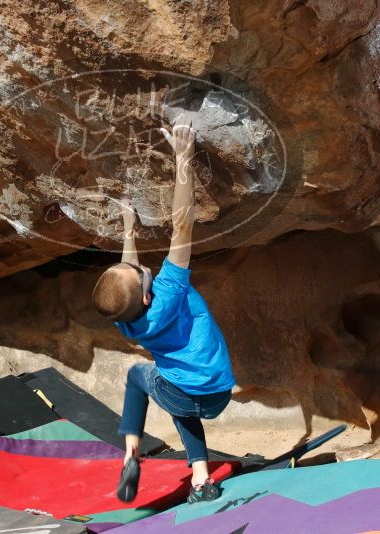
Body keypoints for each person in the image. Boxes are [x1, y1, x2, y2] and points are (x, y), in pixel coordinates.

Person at [91, 116, 236, 504]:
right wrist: (184, 158)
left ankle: (133, 452)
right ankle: (199, 477)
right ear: (145, 296)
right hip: (220, 391)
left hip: (187, 395)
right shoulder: (170, 289)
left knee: (151, 380)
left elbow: (127, 281)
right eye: (136, 272)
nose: (137, 265)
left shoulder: (127, 324)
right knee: (153, 379)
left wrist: (128, 229)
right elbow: (181, 226)